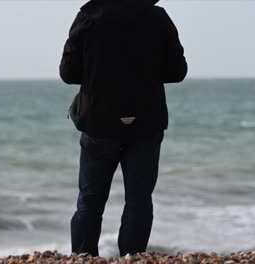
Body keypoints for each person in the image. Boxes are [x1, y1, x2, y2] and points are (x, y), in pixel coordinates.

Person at [59, 0, 187, 257]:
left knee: (90, 201)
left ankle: (83, 257)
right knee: (139, 201)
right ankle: (132, 258)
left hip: (99, 122)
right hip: (146, 122)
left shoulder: (89, 16)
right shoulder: (157, 17)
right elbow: (177, 71)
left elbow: (68, 73)